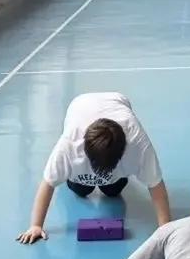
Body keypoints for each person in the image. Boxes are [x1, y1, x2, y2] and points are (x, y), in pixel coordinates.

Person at [17, 92, 171, 244]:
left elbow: (155, 184)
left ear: (122, 153)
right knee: (81, 190)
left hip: (117, 102)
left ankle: (112, 181)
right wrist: (36, 225)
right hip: (80, 104)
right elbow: (48, 182)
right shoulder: (69, 145)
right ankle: (81, 182)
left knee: (112, 190)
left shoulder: (138, 143)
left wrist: (164, 228)